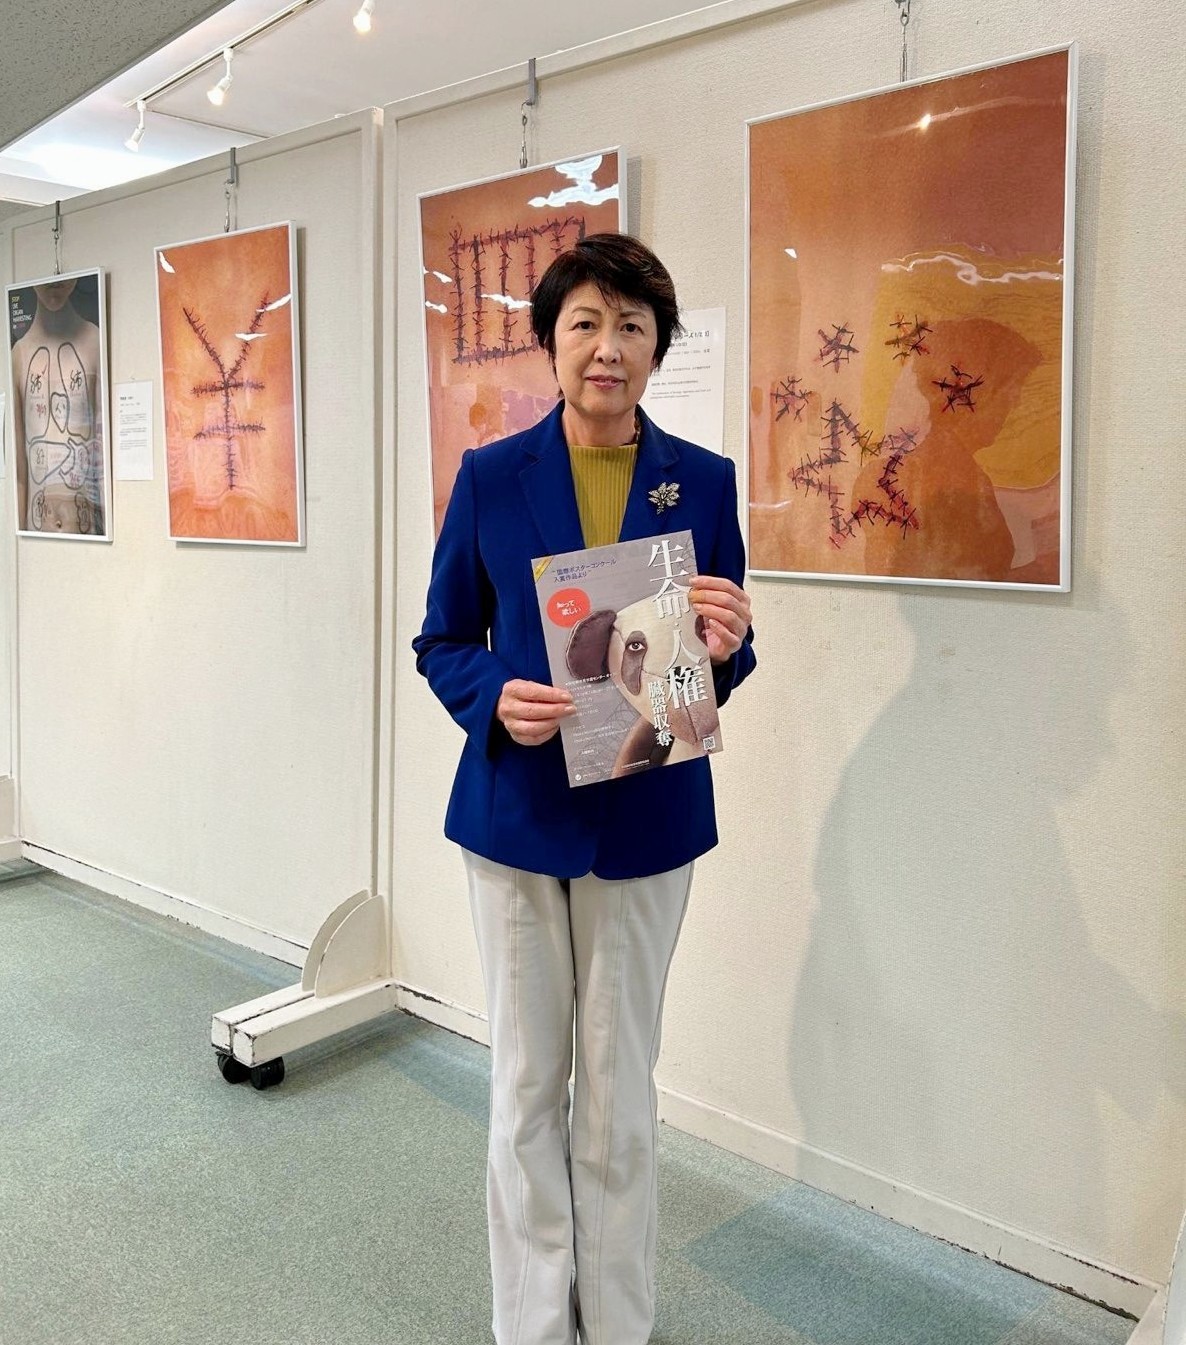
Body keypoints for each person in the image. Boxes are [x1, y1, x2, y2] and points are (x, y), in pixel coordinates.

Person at [413, 233, 756, 1345]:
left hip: (647, 816)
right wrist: (492, 697)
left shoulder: (705, 481)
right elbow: (442, 639)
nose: (608, 348)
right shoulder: (490, 475)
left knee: (618, 1092)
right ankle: (531, 1325)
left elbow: (717, 655)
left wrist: (729, 643)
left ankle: (616, 1322)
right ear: (550, 342)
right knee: (525, 1085)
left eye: (631, 327)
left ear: (657, 348)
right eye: (586, 325)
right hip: (518, 815)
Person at [10, 276, 105, 536]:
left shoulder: (95, 342)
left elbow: (103, 458)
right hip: (36, 533)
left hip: (87, 533)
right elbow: (18, 470)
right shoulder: (18, 355)